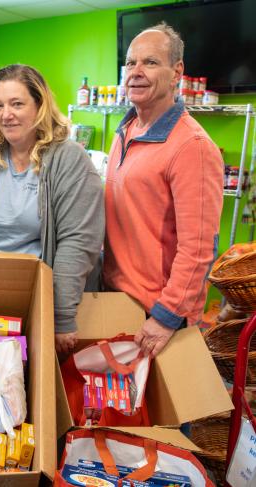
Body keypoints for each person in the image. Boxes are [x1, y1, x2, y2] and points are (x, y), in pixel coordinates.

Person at [0, 64, 104, 354]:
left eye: (17, 104)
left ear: (40, 106)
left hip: (45, 298)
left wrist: (61, 316)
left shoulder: (69, 159)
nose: (6, 114)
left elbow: (78, 241)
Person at [103, 23, 224, 358]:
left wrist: (166, 317)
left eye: (150, 63)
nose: (136, 72)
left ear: (177, 72)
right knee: (116, 409)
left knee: (159, 412)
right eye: (130, 63)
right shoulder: (125, 130)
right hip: (118, 298)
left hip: (155, 315)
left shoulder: (192, 146)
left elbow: (198, 248)